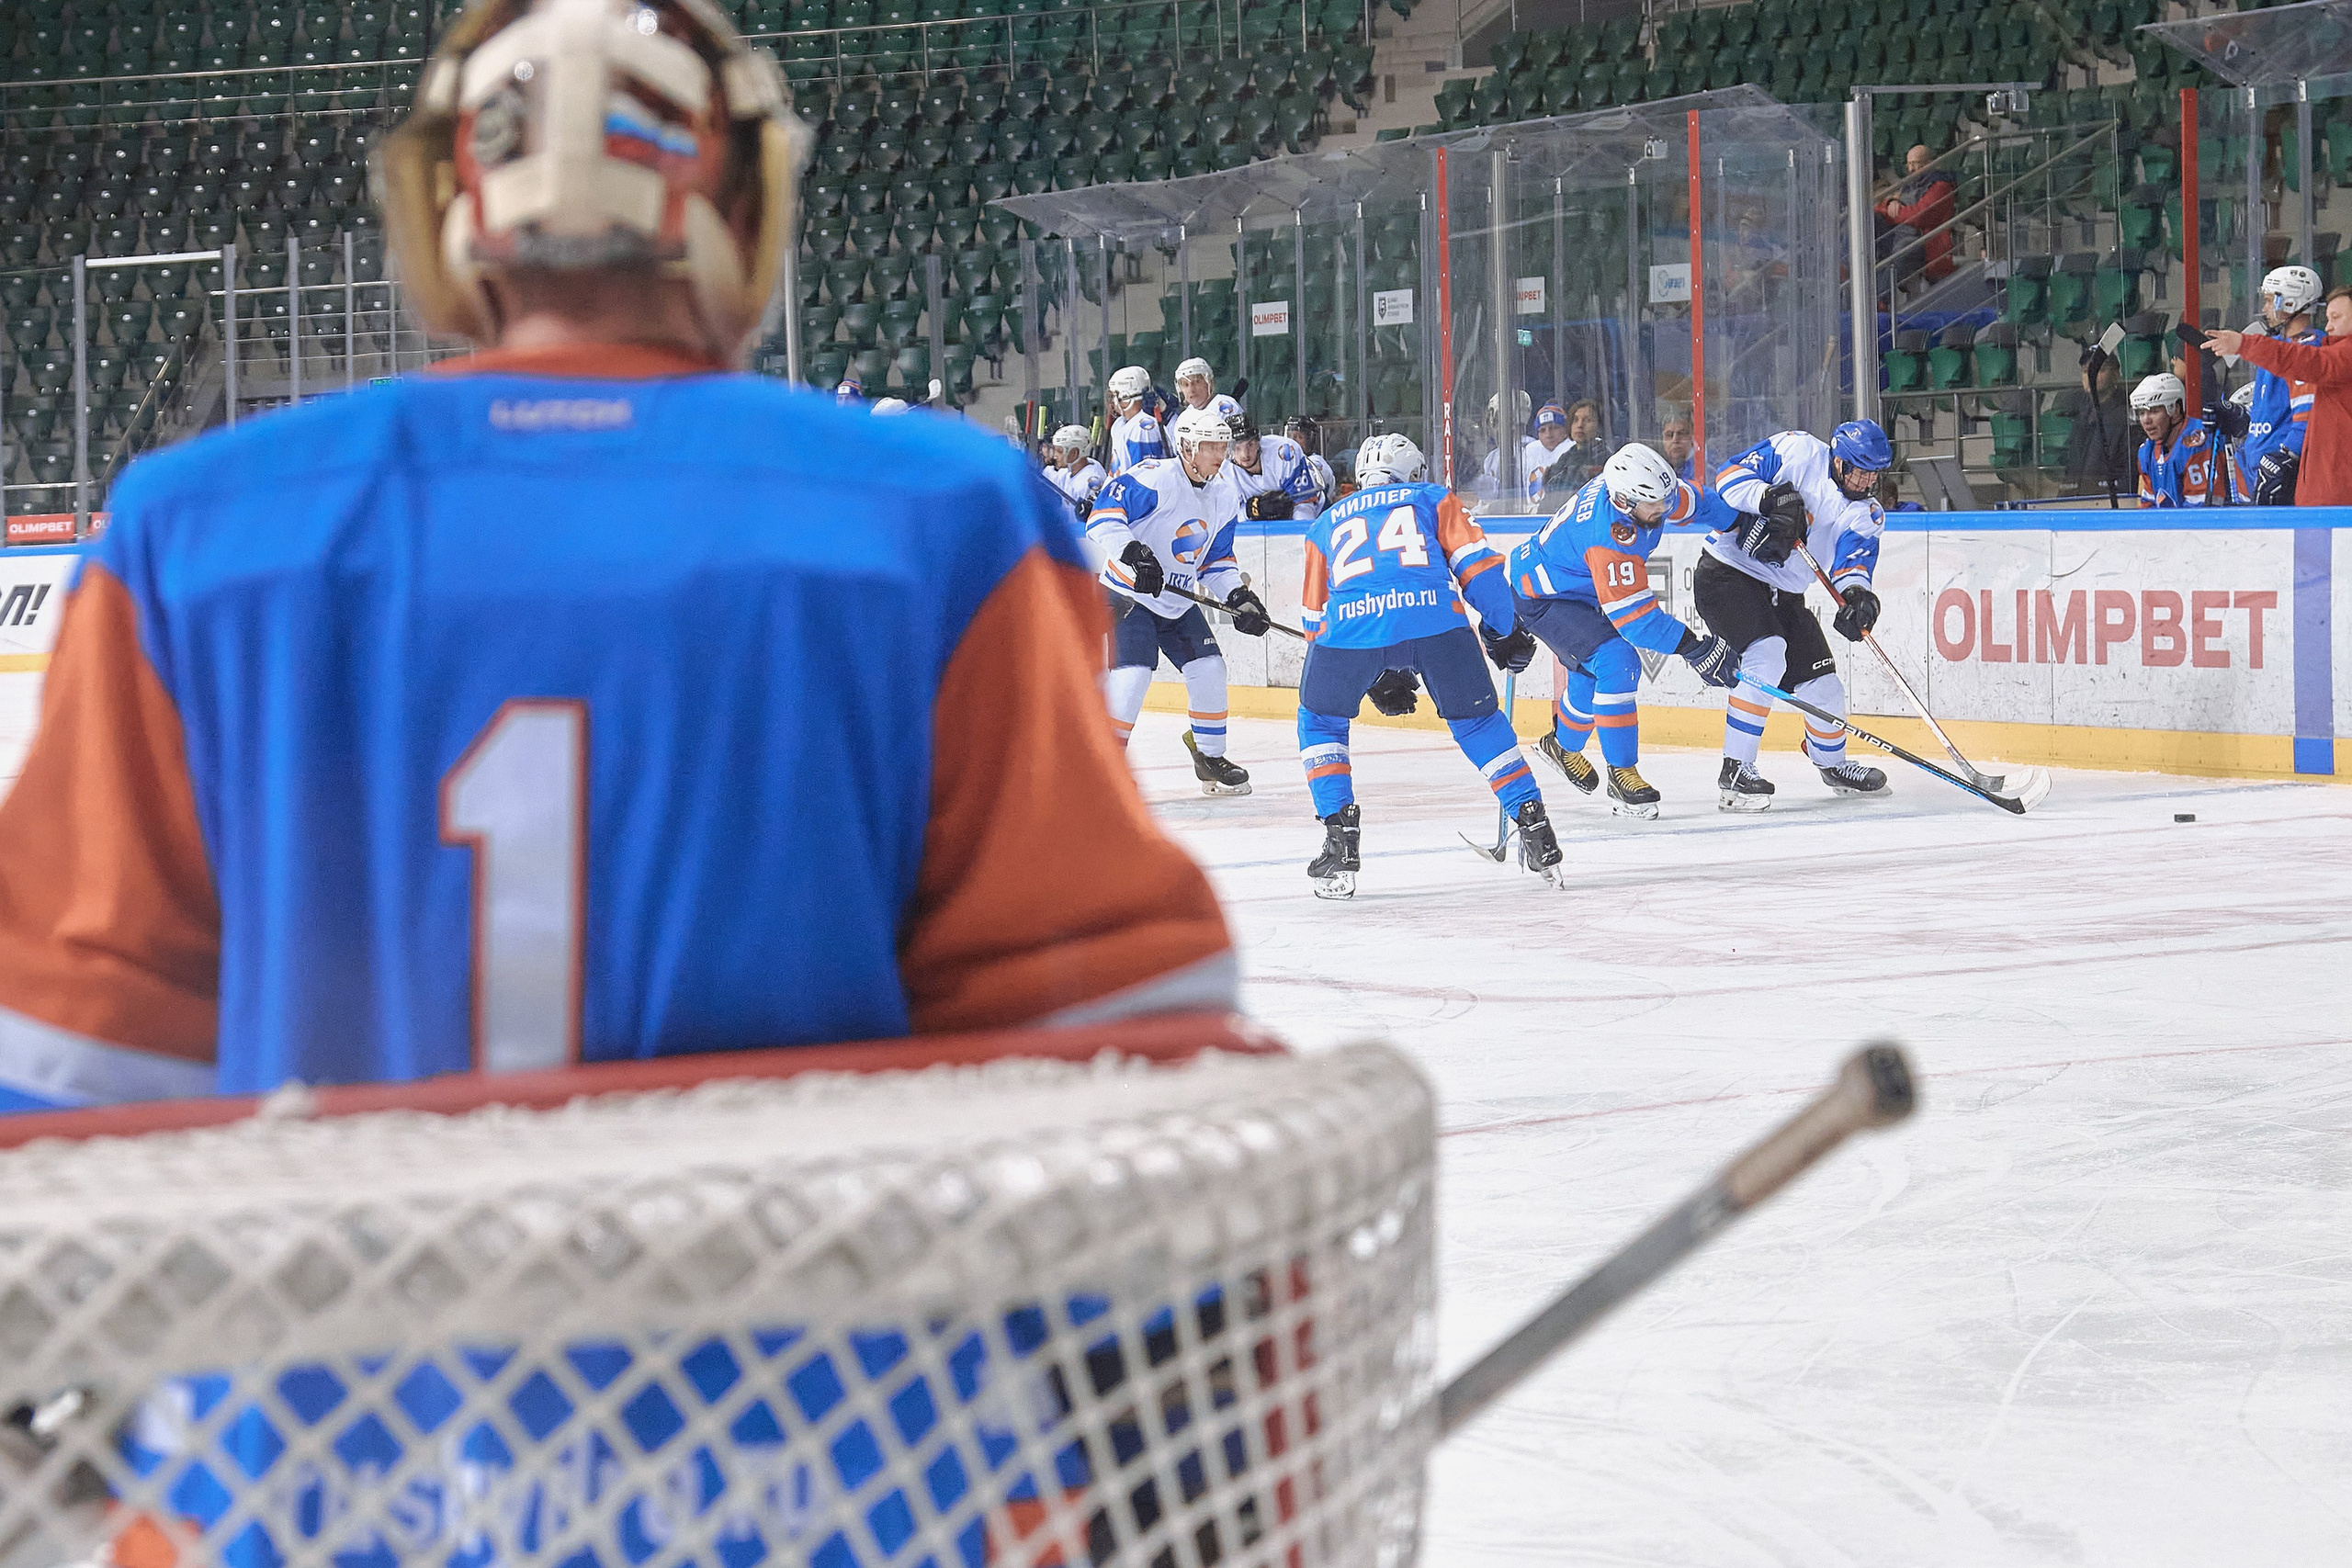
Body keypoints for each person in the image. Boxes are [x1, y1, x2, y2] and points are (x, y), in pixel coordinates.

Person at [0, 0, 1236, 1111]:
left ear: (443, 215)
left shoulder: (188, 528)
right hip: (828, 1363)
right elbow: (1127, 1057)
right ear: (748, 212)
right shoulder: (944, 515)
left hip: (325, 1366)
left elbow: (68, 1072)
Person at [1296, 433, 1561, 896]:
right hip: (1439, 625)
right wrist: (1503, 629)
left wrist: (1368, 672)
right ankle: (1534, 824)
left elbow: (1314, 621)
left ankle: (1340, 839)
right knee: (1478, 724)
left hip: (1351, 633)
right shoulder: (1433, 498)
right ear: (1415, 472)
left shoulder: (1324, 524)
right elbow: (1479, 570)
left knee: (1320, 719)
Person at [1506, 445, 1742, 818]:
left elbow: (1696, 502)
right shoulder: (1611, 536)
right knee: (1617, 660)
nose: (1663, 510)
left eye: (1665, 501)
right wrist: (1695, 648)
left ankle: (1561, 748)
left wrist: (1739, 523)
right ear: (1623, 503)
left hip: (1577, 588)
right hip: (1543, 596)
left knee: (1588, 677)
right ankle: (1622, 773)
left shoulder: (1646, 493)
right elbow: (1637, 622)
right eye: (1655, 507)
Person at [1699, 421, 1894, 810]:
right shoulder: (1798, 450)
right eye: (1858, 469)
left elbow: (1852, 562)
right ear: (1838, 460)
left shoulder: (1867, 512)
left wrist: (1857, 596)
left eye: (1874, 472)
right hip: (1727, 574)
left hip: (1785, 594)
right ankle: (1737, 768)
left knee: (1824, 687)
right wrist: (1770, 499)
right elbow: (1728, 475)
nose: (1866, 479)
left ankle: (1832, 764)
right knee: (1766, 656)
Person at [1086, 406, 1274, 793]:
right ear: (1187, 447)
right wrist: (1133, 552)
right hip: (1127, 595)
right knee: (1133, 673)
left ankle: (1208, 756)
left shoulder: (1224, 495)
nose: (1220, 455)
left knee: (1209, 669)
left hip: (1175, 601)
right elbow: (1103, 518)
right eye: (1210, 447)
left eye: (1223, 446)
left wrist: (1239, 596)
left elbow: (1217, 562)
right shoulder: (1153, 476)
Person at [2190, 288, 2352, 505]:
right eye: (2328, 317)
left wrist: (2243, 344)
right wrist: (2241, 416)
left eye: (2336, 317)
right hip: (2318, 496)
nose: (2328, 325)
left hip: (2336, 503)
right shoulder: (2328, 355)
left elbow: (2301, 362)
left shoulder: (2339, 356)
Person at [2206, 265, 2324, 503]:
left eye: (2270, 301)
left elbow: (2309, 416)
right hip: (2258, 475)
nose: (2264, 309)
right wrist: (2239, 415)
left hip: (2288, 480)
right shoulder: (2277, 349)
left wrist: (2286, 457)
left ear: (2290, 303)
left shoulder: (2308, 350)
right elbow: (2270, 413)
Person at [2127, 372, 2219, 508]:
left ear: (2175, 410)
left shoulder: (2196, 442)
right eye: (2141, 412)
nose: (2146, 420)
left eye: (2154, 410)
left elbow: (2198, 514)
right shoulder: (2147, 452)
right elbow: (2148, 508)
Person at [1875, 144, 1956, 287]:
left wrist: (1894, 212)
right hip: (1901, 234)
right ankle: (1845, 271)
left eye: (1915, 163)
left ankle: (1881, 299)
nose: (1911, 169)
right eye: (1909, 164)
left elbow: (1919, 216)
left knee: (1902, 251)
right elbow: (1879, 208)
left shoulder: (1940, 186)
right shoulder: (1910, 184)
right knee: (1872, 220)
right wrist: (1890, 202)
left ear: (1928, 163)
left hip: (1925, 241)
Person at [2064, 351, 2133, 497]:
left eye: (2099, 370)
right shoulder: (2081, 416)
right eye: (2085, 371)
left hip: (2109, 503)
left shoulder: (2126, 416)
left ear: (2116, 374)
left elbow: (2130, 472)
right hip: (2080, 501)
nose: (2090, 375)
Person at [1228, 413, 1322, 519]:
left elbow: (1304, 504)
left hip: (1310, 516)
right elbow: (1226, 519)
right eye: (1237, 448)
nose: (1245, 454)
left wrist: (1300, 533)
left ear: (1258, 441)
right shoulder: (1224, 471)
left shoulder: (1285, 452)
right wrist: (1252, 509)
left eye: (1250, 445)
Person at [1537, 399, 1611, 505]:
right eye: (1575, 420)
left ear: (1599, 427)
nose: (1580, 425)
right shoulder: (1565, 458)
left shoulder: (1603, 457)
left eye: (1588, 420)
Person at [1106, 365, 1167, 476]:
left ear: (1125, 395)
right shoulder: (1119, 424)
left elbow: (1144, 477)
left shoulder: (1144, 427)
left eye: (1114, 395)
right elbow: (1115, 471)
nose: (1111, 401)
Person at [1042, 423, 1107, 525]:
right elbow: (1050, 477)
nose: (1054, 456)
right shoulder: (1072, 470)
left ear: (1074, 453)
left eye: (1059, 451)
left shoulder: (1090, 482)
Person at [1286, 415, 1338, 511]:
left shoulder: (1316, 462)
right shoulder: (1285, 464)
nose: (1292, 441)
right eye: (1290, 436)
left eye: (1299, 437)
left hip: (1317, 518)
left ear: (1310, 440)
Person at [1657, 407, 1697, 481]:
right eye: (1669, 435)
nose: (1675, 440)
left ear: (1692, 437)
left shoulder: (1702, 469)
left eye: (1681, 434)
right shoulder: (1657, 469)